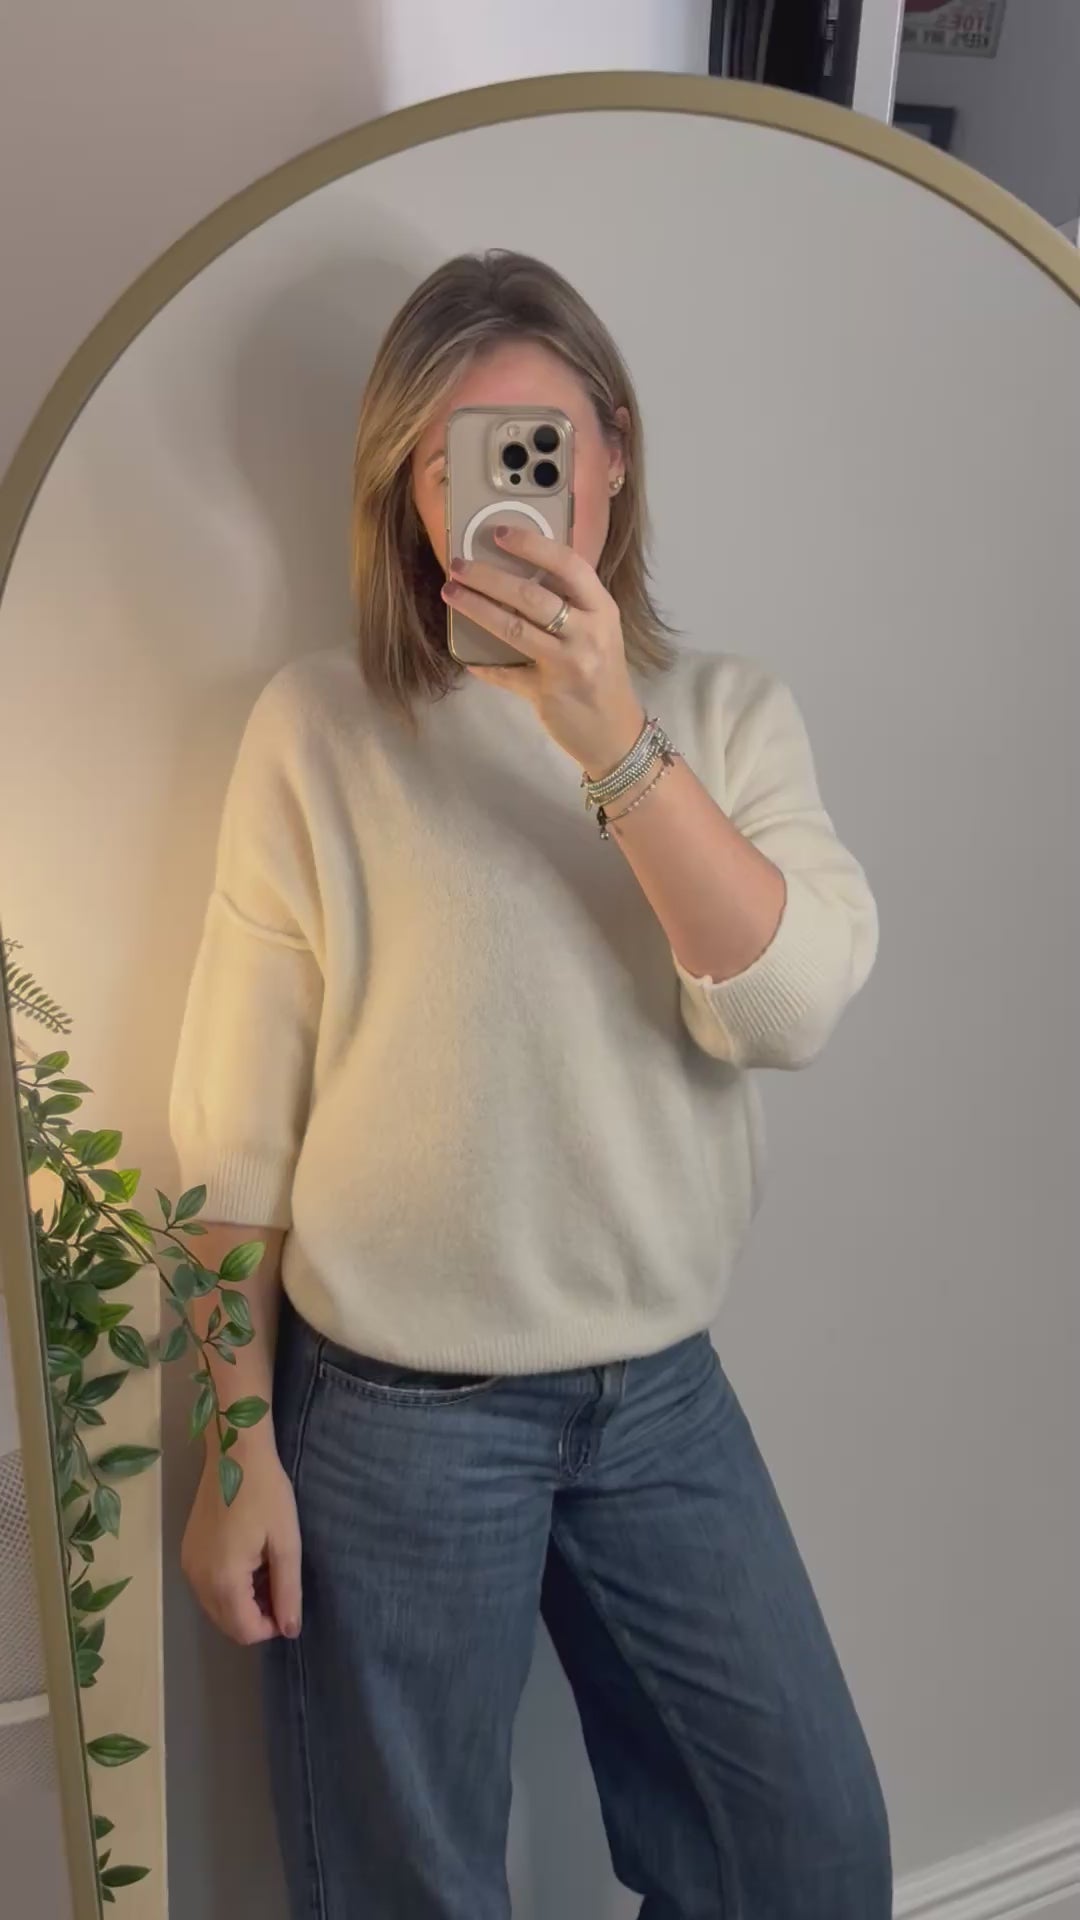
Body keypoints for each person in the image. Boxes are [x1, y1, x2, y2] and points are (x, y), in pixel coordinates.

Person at [172, 249, 890, 1919]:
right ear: (405, 490)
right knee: (407, 1889)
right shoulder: (319, 729)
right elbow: (232, 1131)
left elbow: (786, 1013)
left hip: (660, 1395)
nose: (496, 494)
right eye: (451, 457)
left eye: (535, 447)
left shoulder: (726, 717)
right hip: (392, 1418)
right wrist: (234, 1439)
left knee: (803, 1854)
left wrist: (608, 735)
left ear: (611, 458)